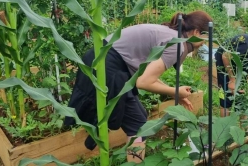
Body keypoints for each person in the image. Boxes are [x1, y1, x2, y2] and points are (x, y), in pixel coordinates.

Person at [63, 11, 212, 162]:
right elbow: (144, 82)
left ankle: (133, 161)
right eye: (205, 38)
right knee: (139, 126)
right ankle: (134, 163)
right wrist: (175, 91)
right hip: (106, 68)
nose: (204, 43)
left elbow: (145, 76)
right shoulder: (177, 45)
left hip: (103, 62)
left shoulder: (172, 36)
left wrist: (175, 94)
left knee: (139, 120)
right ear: (197, 32)